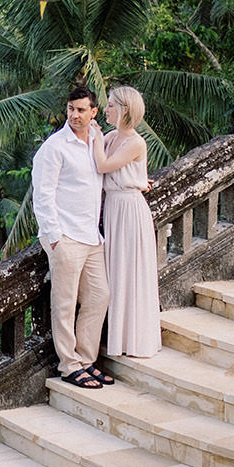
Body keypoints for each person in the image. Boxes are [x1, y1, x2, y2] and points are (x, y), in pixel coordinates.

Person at [32, 86, 113, 388]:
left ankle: (86, 359)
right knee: (64, 304)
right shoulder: (55, 148)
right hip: (65, 236)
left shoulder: (96, 140)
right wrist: (54, 237)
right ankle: (69, 365)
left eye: (81, 110)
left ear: (93, 112)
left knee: (98, 296)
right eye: (71, 109)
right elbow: (42, 195)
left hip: (92, 236)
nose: (75, 115)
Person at [92, 85, 161, 358]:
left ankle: (135, 339)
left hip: (130, 211)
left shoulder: (135, 142)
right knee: (116, 271)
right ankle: (119, 338)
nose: (106, 109)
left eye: (110, 105)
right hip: (114, 208)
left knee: (131, 271)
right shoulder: (111, 137)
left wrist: (96, 137)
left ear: (124, 109)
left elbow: (103, 166)